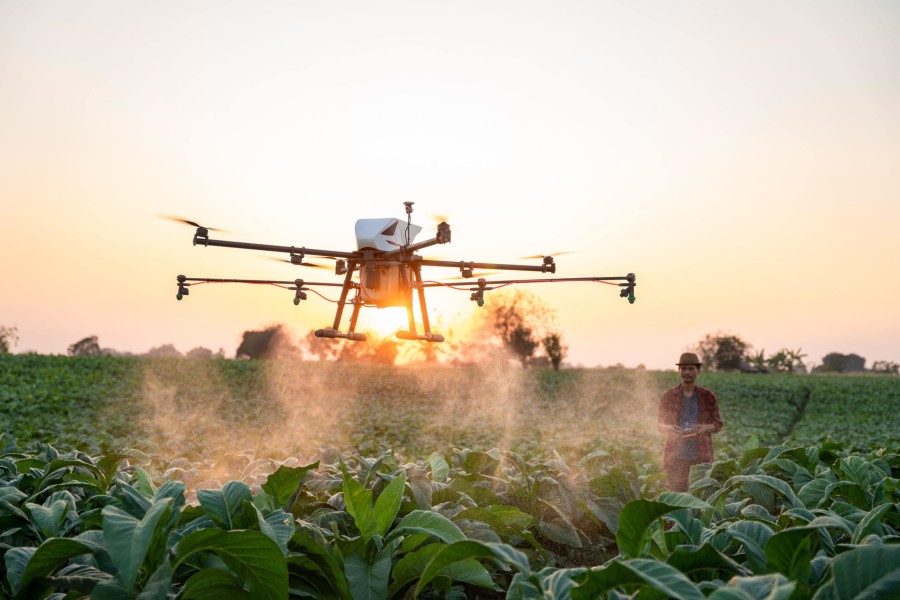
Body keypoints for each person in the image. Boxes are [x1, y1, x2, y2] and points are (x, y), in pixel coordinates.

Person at [657, 352, 722, 492]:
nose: (687, 372)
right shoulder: (669, 396)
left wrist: (704, 428)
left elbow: (717, 424)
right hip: (676, 457)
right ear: (679, 371)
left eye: (691, 368)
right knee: (678, 495)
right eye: (684, 368)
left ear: (698, 371)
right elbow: (659, 424)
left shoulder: (707, 396)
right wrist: (669, 427)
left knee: (698, 494)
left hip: (700, 456)